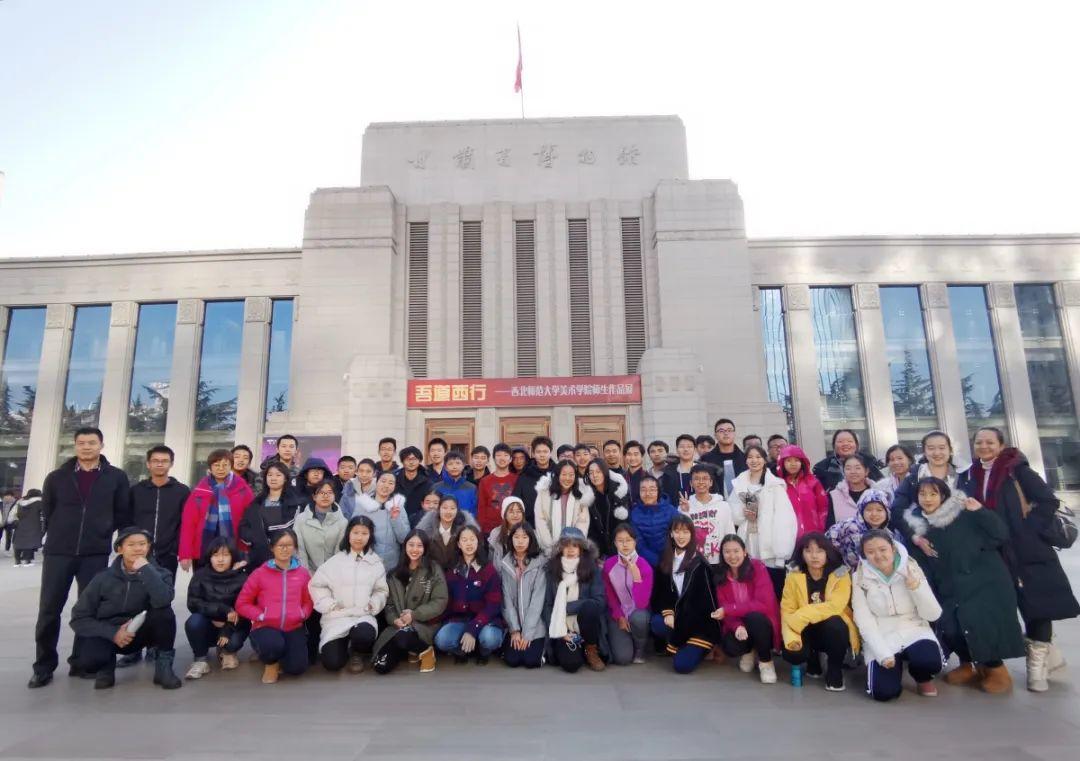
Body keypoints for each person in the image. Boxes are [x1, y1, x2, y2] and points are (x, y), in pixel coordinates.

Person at [957, 427, 1079, 692]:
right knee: (1001, 604)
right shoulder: (968, 475)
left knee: (1035, 604)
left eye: (990, 442)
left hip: (1025, 550)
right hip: (991, 551)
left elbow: (1048, 501)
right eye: (979, 442)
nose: (984, 447)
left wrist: (1025, 530)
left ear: (1001, 445)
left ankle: (1037, 669)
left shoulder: (1017, 471)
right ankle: (1048, 653)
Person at [30, 427, 132, 689]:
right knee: (49, 609)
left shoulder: (116, 477)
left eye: (92, 443)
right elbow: (48, 511)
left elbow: (122, 513)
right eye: (81, 443)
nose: (86, 447)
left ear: (101, 445)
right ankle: (43, 666)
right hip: (58, 553)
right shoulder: (57, 477)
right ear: (75, 446)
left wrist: (111, 537)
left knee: (90, 610)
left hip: (95, 552)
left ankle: (82, 662)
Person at [904, 476, 1024, 693]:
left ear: (943, 495)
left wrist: (980, 512)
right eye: (922, 494)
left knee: (983, 624)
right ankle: (968, 665)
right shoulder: (919, 527)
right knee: (953, 626)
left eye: (933, 493)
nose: (928, 499)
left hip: (983, 579)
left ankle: (996, 668)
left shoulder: (963, 513)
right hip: (949, 585)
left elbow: (1000, 534)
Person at [69, 526, 181, 690]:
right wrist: (112, 633)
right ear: (120, 549)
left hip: (140, 631)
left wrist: (146, 570)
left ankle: (163, 668)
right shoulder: (102, 578)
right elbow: (79, 618)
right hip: (110, 634)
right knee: (89, 659)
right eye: (131, 544)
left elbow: (163, 599)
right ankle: (105, 668)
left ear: (148, 547)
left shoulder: (161, 573)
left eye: (142, 544)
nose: (137, 548)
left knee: (165, 614)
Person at [851, 529, 943, 700]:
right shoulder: (859, 577)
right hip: (882, 634)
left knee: (929, 661)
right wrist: (883, 654)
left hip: (914, 629)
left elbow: (933, 615)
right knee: (884, 693)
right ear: (864, 555)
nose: (878, 556)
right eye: (870, 552)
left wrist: (916, 587)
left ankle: (922, 676)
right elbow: (864, 621)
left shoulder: (911, 567)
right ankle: (894, 671)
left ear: (892, 548)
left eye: (883, 549)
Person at [307, 515, 389, 673]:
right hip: (337, 616)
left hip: (362, 614)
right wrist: (330, 604)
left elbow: (381, 590)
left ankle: (357, 652)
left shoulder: (375, 562)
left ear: (370, 536)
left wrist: (373, 603)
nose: (359, 537)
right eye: (355, 532)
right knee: (332, 663)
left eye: (364, 533)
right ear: (348, 534)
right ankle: (342, 644)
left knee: (364, 634)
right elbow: (317, 585)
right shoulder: (335, 561)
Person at [780, 532, 859, 691]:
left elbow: (836, 605)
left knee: (836, 623)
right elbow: (787, 610)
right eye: (808, 551)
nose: (814, 556)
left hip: (829, 628)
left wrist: (802, 615)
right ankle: (812, 659)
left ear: (827, 552)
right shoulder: (794, 574)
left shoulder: (840, 573)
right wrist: (791, 637)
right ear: (801, 553)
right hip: (804, 628)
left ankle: (834, 669)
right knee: (793, 654)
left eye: (820, 551)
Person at [236, 529, 313, 684]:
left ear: (295, 547)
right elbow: (242, 603)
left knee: (297, 668)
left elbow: (308, 601)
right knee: (272, 645)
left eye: (289, 545)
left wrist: (302, 614)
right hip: (266, 626)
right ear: (272, 548)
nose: (285, 549)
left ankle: (281, 657)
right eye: (280, 545)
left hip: (293, 626)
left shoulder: (303, 573)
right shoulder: (259, 573)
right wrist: (261, 615)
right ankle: (270, 663)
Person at [649, 513, 721, 674]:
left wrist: (678, 628)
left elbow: (705, 606)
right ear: (671, 534)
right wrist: (668, 613)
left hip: (700, 625)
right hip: (678, 618)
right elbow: (659, 593)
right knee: (657, 623)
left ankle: (699, 647)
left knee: (681, 666)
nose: (681, 536)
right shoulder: (665, 559)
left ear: (692, 534)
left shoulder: (700, 564)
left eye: (686, 532)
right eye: (677, 531)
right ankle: (682, 644)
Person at [373, 529, 448, 675]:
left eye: (419, 546)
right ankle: (413, 649)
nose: (415, 549)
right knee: (380, 665)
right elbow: (389, 605)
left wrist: (414, 615)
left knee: (404, 636)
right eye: (411, 544)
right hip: (399, 626)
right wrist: (394, 619)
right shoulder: (394, 574)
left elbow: (440, 601)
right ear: (405, 546)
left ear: (425, 548)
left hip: (425, 624)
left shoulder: (433, 570)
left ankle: (426, 652)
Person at [729, 445, 797, 599]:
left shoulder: (775, 485)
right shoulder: (739, 483)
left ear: (765, 460)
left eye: (758, 457)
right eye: (750, 457)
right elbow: (732, 510)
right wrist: (743, 514)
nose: (754, 460)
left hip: (770, 542)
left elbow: (785, 518)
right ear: (745, 460)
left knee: (774, 587)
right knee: (751, 585)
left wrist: (782, 549)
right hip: (748, 539)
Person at [714, 534, 781, 683]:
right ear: (722, 554)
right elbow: (724, 607)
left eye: (736, 551)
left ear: (744, 552)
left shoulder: (757, 567)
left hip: (762, 622)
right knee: (730, 646)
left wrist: (730, 609)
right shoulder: (721, 575)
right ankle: (750, 649)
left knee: (754, 618)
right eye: (727, 551)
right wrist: (737, 626)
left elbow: (763, 605)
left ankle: (766, 661)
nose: (732, 556)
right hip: (741, 622)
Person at [434, 525, 505, 664]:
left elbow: (493, 605)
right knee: (442, 640)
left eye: (472, 539)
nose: (469, 543)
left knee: (490, 639)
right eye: (464, 540)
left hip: (485, 620)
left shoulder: (488, 570)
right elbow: (447, 601)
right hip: (460, 619)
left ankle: (482, 649)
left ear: (478, 542)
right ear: (459, 544)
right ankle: (462, 649)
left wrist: (473, 628)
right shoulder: (452, 569)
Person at [184, 537, 250, 679]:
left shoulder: (243, 578)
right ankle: (200, 660)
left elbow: (245, 609)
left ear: (233, 557)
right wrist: (221, 610)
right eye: (216, 555)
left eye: (225, 555)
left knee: (232, 644)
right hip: (208, 622)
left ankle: (227, 652)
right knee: (193, 622)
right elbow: (193, 602)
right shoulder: (200, 575)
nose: (220, 560)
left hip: (235, 625)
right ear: (210, 557)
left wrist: (227, 628)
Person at [543, 528, 607, 672]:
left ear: (581, 549)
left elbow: (599, 602)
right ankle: (576, 647)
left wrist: (565, 608)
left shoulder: (592, 569)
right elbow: (547, 606)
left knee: (590, 606)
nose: (570, 549)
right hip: (562, 628)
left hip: (586, 625)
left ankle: (590, 649)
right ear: (560, 548)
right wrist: (562, 633)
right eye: (566, 545)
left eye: (575, 545)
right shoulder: (552, 570)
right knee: (571, 665)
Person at [178, 450, 254, 572]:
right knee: (202, 587)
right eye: (216, 465)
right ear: (210, 467)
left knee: (232, 586)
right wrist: (185, 554)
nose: (221, 469)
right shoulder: (199, 492)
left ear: (231, 466)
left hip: (233, 549)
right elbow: (188, 525)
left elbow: (252, 520)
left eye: (225, 465)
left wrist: (247, 548)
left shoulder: (243, 490)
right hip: (204, 548)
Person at [129, 445, 190, 578]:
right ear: (148, 464)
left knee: (163, 594)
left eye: (164, 461)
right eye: (155, 461)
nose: (160, 464)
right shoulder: (136, 491)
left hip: (168, 554)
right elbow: (127, 520)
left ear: (171, 464)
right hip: (138, 553)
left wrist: (179, 550)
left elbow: (186, 523)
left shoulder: (182, 491)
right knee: (136, 595)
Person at [889, 431, 958, 543]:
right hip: (924, 541)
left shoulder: (962, 476)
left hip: (957, 541)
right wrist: (913, 536)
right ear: (924, 452)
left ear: (950, 450)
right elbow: (897, 511)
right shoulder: (913, 478)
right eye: (931, 448)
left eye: (942, 448)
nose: (936, 453)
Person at [498, 522, 548, 669]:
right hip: (514, 626)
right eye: (516, 537)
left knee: (531, 662)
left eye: (524, 537)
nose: (520, 541)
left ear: (531, 539)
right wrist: (515, 631)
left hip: (534, 627)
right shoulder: (506, 564)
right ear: (511, 539)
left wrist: (527, 633)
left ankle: (542, 650)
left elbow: (537, 601)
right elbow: (506, 600)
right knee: (512, 661)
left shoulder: (539, 563)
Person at [603, 523, 653, 665]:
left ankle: (640, 649)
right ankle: (627, 639)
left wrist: (636, 577)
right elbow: (610, 594)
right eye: (620, 540)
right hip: (618, 613)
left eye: (629, 540)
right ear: (615, 543)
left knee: (639, 617)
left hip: (638, 613)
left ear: (635, 542)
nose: (625, 544)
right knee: (622, 659)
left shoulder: (644, 566)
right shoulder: (609, 564)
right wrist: (619, 616)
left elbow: (642, 603)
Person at [238, 462, 306, 568]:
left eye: (278, 475)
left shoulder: (295, 503)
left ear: (285, 479)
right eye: (270, 475)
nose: (273, 478)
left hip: (287, 556)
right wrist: (256, 540)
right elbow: (244, 526)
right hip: (260, 557)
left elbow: (294, 527)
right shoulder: (257, 502)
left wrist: (273, 539)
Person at [826, 489, 903, 572]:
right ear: (861, 511)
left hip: (872, 577)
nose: (874, 514)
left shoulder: (888, 535)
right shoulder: (849, 527)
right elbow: (827, 542)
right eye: (869, 510)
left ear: (887, 512)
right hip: (845, 574)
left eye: (879, 510)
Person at [351, 471, 411, 570]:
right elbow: (352, 534)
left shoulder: (397, 506)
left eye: (391, 483)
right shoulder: (363, 505)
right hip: (366, 562)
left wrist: (395, 518)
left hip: (391, 564)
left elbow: (404, 538)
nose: (386, 485)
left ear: (394, 486)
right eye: (383, 481)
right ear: (376, 482)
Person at [679, 464, 734, 566]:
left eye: (705, 478)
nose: (701, 482)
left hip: (719, 561)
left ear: (711, 482)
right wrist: (685, 511)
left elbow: (730, 533)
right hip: (694, 562)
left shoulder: (723, 505)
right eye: (697, 479)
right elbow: (681, 535)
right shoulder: (684, 506)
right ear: (691, 483)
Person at [534, 460, 594, 553]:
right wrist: (550, 546)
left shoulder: (581, 495)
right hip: (548, 547)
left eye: (571, 475)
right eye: (564, 474)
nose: (567, 478)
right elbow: (540, 520)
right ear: (557, 475)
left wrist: (573, 545)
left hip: (572, 549)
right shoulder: (544, 493)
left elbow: (583, 522)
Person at [776, 444, 828, 540]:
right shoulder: (778, 485)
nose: (793, 464)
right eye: (788, 460)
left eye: (796, 460)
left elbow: (823, 507)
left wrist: (820, 528)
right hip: (789, 536)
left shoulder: (813, 482)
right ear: (782, 463)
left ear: (802, 462)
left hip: (813, 533)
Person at [295, 480, 348, 573]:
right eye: (321, 492)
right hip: (308, 574)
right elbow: (300, 551)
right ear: (314, 496)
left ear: (335, 496)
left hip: (333, 575)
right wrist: (306, 576)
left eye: (329, 492)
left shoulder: (343, 522)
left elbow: (339, 553)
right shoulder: (301, 520)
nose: (325, 496)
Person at [629, 475, 679, 567]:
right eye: (643, 490)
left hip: (672, 560)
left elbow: (679, 535)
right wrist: (657, 562)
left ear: (658, 491)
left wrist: (670, 559)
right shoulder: (634, 513)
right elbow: (638, 542)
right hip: (647, 563)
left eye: (652, 489)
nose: (647, 493)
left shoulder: (671, 510)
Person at [418, 493, 480, 568]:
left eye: (452, 508)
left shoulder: (465, 529)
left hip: (457, 572)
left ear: (457, 510)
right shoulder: (426, 530)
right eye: (445, 508)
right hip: (433, 571)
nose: (448, 512)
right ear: (439, 509)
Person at [812, 429, 884, 493]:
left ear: (856, 445)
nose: (845, 444)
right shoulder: (822, 468)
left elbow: (882, 487)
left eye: (850, 441)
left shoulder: (870, 463)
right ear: (834, 446)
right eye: (840, 441)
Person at [584, 459, 630, 557]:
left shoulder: (619, 491)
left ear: (605, 472)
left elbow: (624, 523)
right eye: (591, 473)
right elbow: (591, 527)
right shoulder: (588, 495)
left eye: (598, 472)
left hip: (619, 546)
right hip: (598, 548)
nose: (594, 475)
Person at [511, 436, 555, 524]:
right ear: (533, 454)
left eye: (545, 451)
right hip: (530, 526)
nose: (542, 455)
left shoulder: (558, 474)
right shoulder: (525, 475)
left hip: (554, 523)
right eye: (538, 452)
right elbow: (516, 501)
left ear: (550, 453)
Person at [476, 444, 519, 535]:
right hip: (490, 530)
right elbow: (481, 507)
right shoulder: (485, 481)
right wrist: (482, 529)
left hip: (512, 528)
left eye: (506, 455)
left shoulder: (517, 480)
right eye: (498, 455)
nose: (502, 458)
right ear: (494, 458)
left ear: (511, 459)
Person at [700, 418, 748, 497]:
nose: (726, 433)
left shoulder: (745, 458)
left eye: (729, 430)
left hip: (742, 504)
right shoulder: (706, 460)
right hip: (715, 505)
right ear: (715, 435)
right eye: (721, 431)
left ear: (734, 433)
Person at [827, 454, 872, 528]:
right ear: (843, 471)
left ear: (866, 471)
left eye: (857, 468)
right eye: (848, 468)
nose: (853, 472)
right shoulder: (833, 496)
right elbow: (830, 526)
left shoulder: (878, 493)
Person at [433, 451, 478, 518]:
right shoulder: (436, 487)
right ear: (445, 467)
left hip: (465, 526)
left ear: (463, 466)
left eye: (458, 463)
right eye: (450, 464)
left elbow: (474, 512)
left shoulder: (472, 488)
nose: (454, 467)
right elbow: (433, 510)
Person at [394, 447, 430, 527]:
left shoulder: (427, 482)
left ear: (419, 461)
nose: (411, 462)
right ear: (402, 461)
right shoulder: (394, 481)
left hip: (420, 523)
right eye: (407, 459)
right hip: (398, 523)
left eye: (414, 459)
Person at [485, 495, 524, 564]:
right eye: (511, 512)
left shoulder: (531, 533)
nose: (515, 515)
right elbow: (490, 559)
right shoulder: (496, 533)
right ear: (504, 514)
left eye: (518, 511)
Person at [13, 489, 44, 566]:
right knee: (30, 542)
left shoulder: (20, 502)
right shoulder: (39, 503)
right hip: (34, 524)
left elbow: (17, 514)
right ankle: (28, 560)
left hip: (20, 525)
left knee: (19, 542)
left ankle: (17, 561)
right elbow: (44, 513)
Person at [1, 490, 17, 554]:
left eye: (8, 496)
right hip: (1, 521)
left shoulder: (15, 503)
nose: (6, 498)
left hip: (9, 522)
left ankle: (7, 550)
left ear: (12, 496)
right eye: (5, 496)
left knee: (8, 537)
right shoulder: (2, 502)